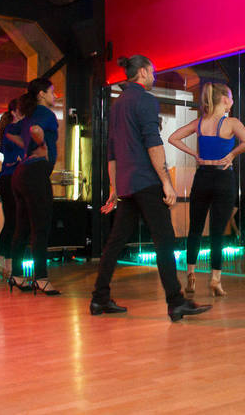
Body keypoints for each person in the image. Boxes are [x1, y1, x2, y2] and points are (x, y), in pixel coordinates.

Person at [91, 55, 211, 321]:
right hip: (146, 181)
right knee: (164, 240)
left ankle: (99, 298)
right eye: (153, 72)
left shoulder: (117, 104)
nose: (155, 77)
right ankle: (176, 302)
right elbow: (153, 143)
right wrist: (166, 182)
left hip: (127, 184)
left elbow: (112, 151)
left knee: (115, 242)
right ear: (143, 72)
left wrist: (114, 187)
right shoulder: (145, 99)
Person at [168, 81, 245, 296]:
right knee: (217, 232)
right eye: (231, 98)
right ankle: (216, 279)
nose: (232, 101)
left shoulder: (200, 123)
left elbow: (173, 138)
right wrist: (231, 155)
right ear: (224, 100)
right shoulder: (231, 123)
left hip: (203, 177)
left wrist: (194, 154)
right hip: (224, 178)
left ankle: (191, 275)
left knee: (195, 229)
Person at [8, 78, 60, 296]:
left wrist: (29, 148)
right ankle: (41, 278)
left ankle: (17, 275)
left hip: (21, 174)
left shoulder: (28, 115)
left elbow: (10, 133)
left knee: (22, 227)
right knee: (40, 227)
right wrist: (41, 144)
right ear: (41, 94)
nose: (55, 96)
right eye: (52, 92)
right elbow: (36, 131)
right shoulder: (45, 114)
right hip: (36, 173)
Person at [0, 98, 23, 279]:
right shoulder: (14, 129)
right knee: (14, 223)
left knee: (10, 222)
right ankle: (9, 265)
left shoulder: (8, 130)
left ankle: (2, 262)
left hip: (5, 180)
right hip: (11, 180)